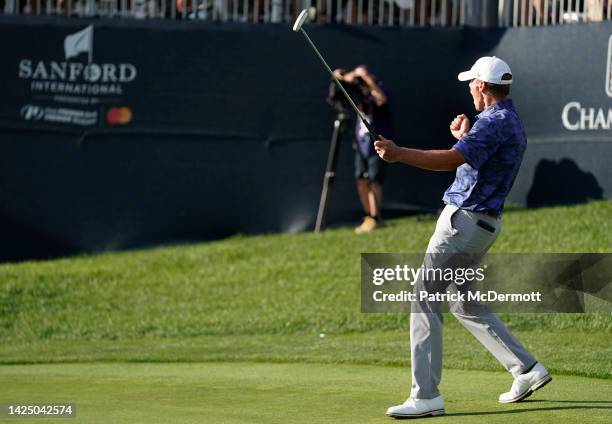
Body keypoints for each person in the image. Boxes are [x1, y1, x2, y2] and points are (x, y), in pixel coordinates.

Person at [374, 57, 551, 418]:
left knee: (424, 296)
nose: (469, 87)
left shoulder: (493, 122)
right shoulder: (505, 120)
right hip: (482, 226)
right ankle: (526, 369)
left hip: (463, 224)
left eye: (472, 83)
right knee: (462, 301)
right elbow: (477, 156)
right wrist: (466, 137)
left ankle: (425, 396)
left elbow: (449, 162)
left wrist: (398, 154)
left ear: (482, 87)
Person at [333, 66, 392, 233]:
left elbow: (381, 99)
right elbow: (339, 93)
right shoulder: (358, 94)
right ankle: (368, 215)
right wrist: (341, 78)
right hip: (360, 142)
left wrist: (366, 77)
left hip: (376, 143)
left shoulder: (378, 91)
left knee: (374, 180)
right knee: (361, 179)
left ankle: (375, 217)